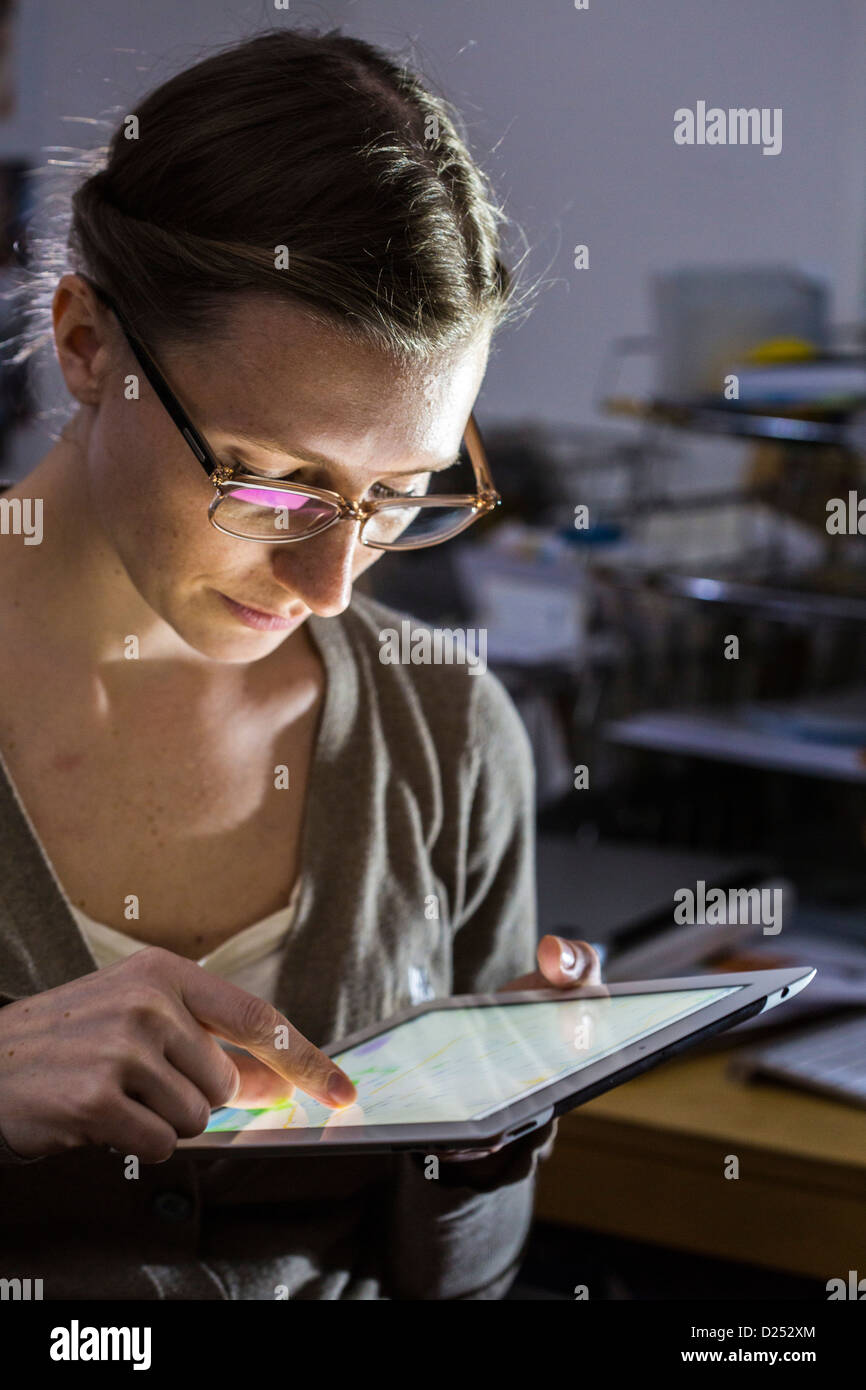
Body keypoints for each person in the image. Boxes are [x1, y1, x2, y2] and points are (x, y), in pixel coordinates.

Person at [0, 26, 601, 1300]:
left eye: (400, 495)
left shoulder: (445, 732)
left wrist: (479, 1133)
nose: (332, 583)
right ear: (84, 342)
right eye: (274, 482)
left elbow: (460, 1286)